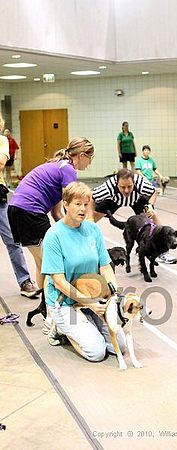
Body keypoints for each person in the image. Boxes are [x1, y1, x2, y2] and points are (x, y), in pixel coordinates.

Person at [41, 181, 125, 361]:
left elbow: (104, 266)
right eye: (77, 204)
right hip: (65, 302)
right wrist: (89, 303)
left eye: (86, 205)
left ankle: (87, 323)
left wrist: (115, 292)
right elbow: (58, 281)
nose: (82, 209)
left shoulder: (93, 229)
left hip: (93, 296)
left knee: (120, 347)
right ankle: (60, 328)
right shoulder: (53, 236)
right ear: (65, 204)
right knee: (96, 352)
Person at [8, 137, 95, 292]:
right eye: (90, 158)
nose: (90, 163)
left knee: (41, 263)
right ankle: (53, 309)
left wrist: (70, 233)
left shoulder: (58, 166)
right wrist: (84, 229)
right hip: (30, 211)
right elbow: (73, 207)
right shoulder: (68, 170)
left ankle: (45, 306)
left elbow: (57, 213)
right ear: (82, 155)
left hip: (17, 209)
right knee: (51, 265)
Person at [91, 168, 177, 264]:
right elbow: (92, 198)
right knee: (90, 220)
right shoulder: (107, 188)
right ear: (116, 183)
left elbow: (154, 192)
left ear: (134, 182)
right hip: (113, 200)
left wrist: (150, 206)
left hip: (137, 200)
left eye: (129, 186)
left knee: (153, 216)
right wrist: (89, 217)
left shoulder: (141, 183)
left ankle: (162, 252)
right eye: (123, 187)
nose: (126, 190)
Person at [0, 115, 37, 297]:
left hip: (0, 201)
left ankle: (25, 281)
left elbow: (0, 163)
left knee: (13, 242)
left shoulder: (2, 141)